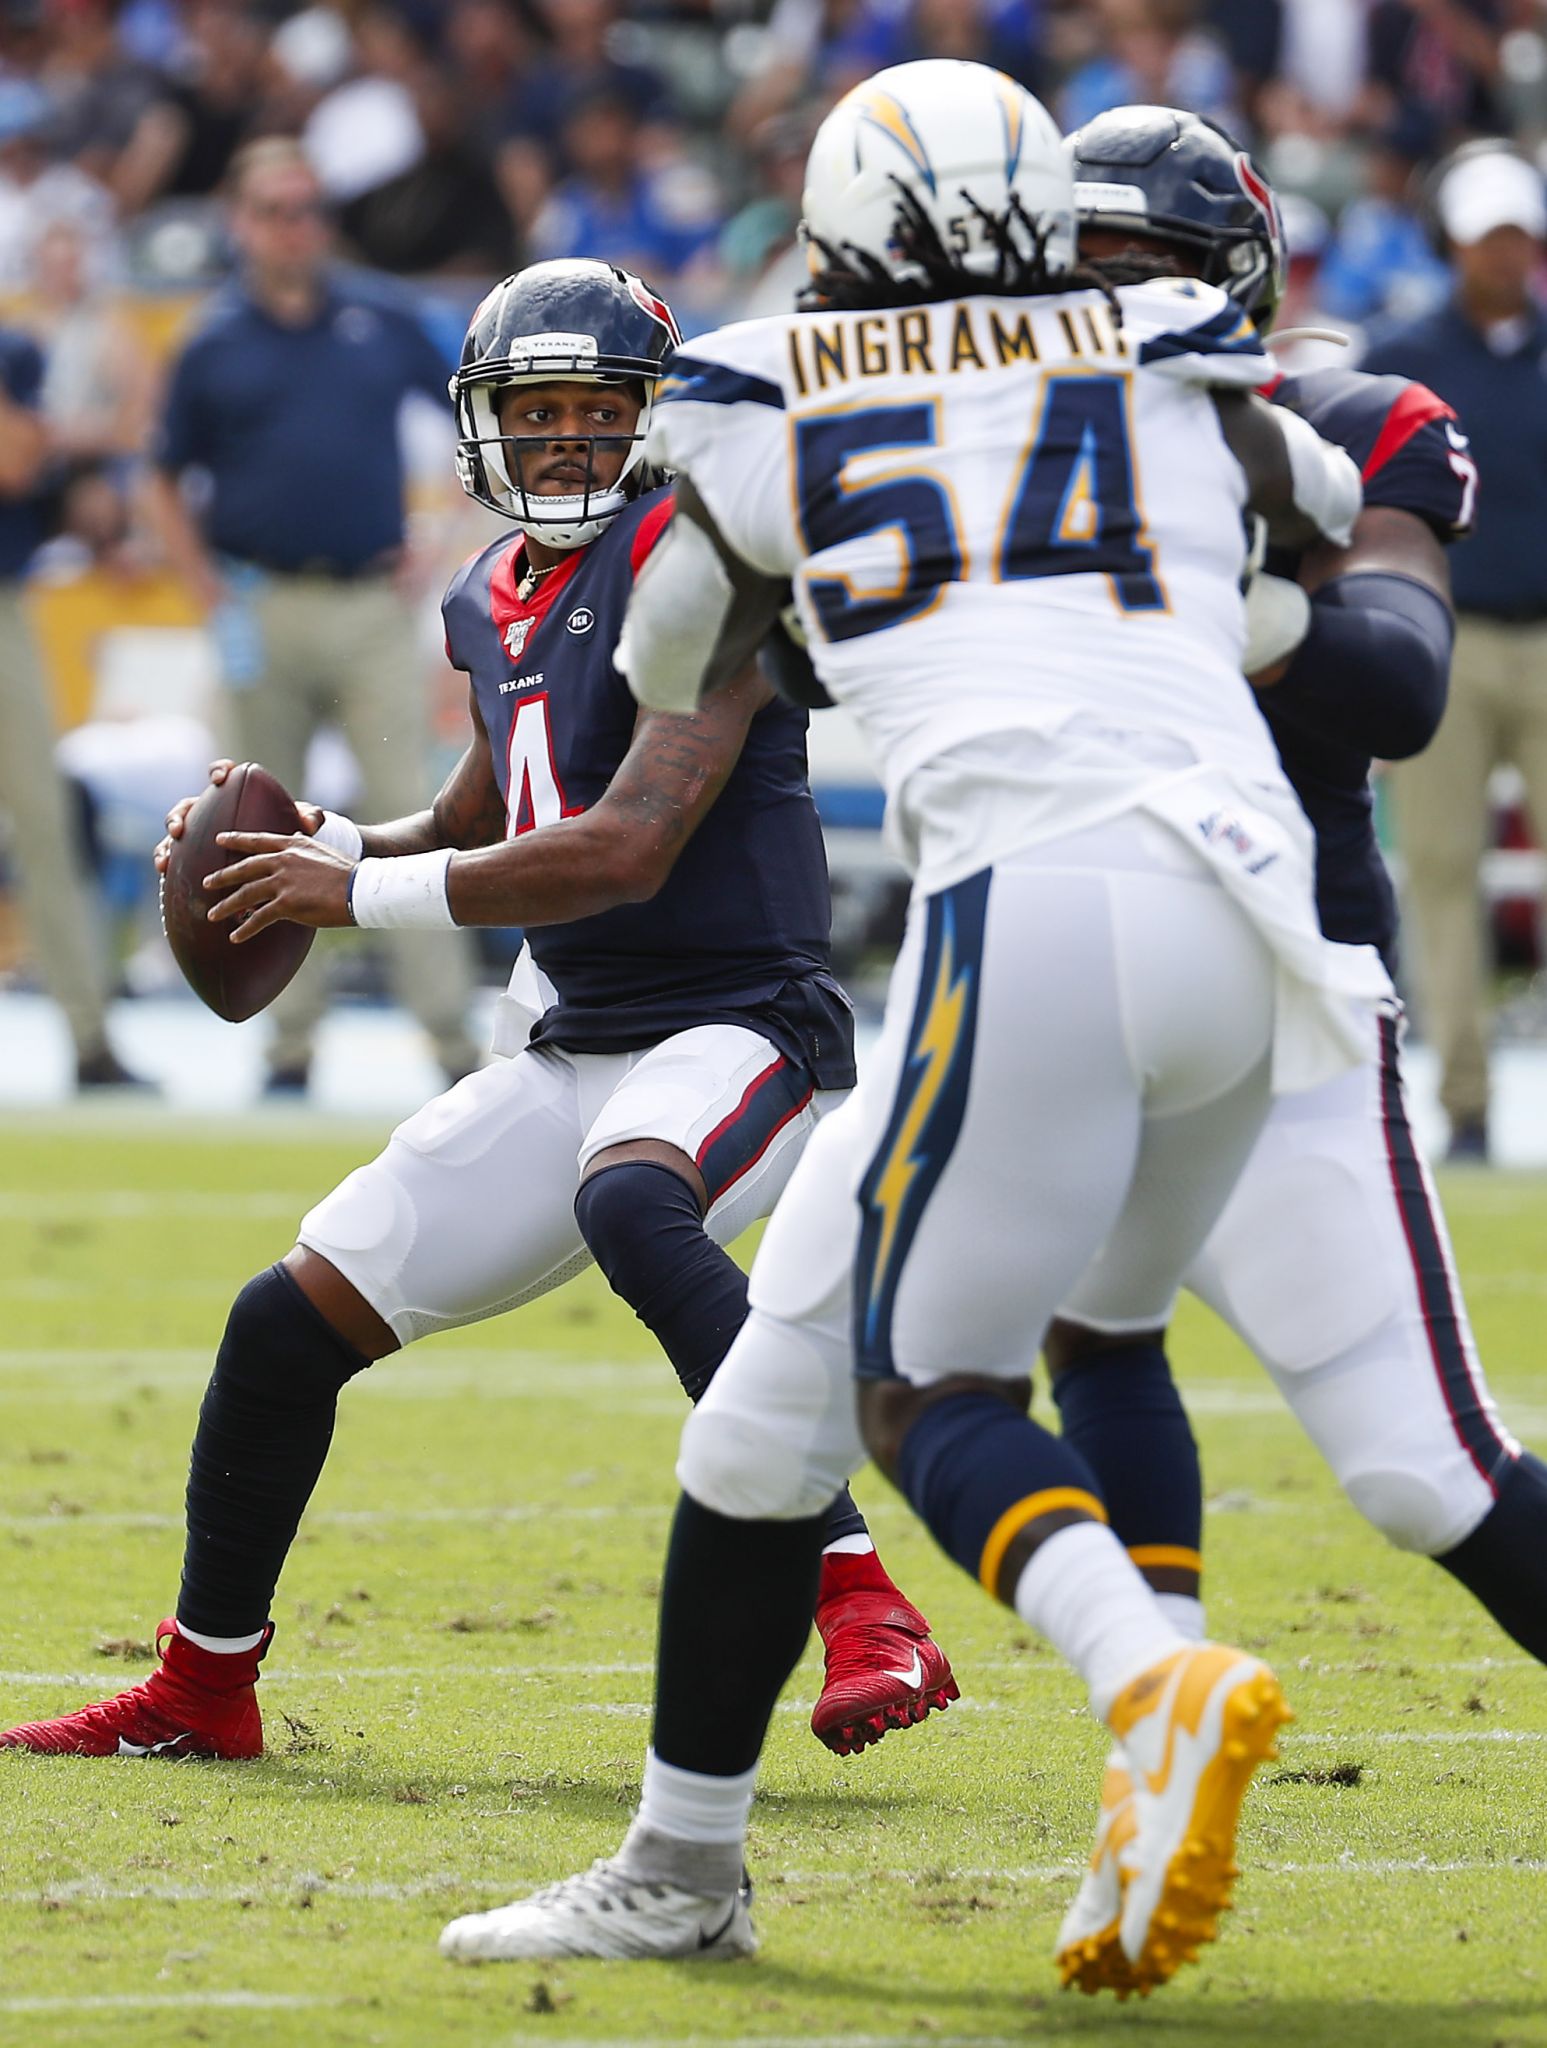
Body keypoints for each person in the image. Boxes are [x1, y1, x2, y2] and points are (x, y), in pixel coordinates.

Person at [431, 61, 1369, 1992]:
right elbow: (1327, 519)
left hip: (1025, 917)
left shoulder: (772, 386)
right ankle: (684, 1862)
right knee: (777, 1415)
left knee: (922, 1388)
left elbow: (672, 665)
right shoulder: (1173, 353)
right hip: (1257, 922)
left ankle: (1150, 1673)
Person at [0, 256, 954, 1766]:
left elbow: (623, 841)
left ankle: (863, 1598)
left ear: (649, 422)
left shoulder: (702, 566)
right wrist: (338, 844)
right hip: (578, 1044)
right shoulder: (481, 592)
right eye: (538, 411)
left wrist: (355, 903)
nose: (567, 440)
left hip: (744, 1030)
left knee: (639, 1205)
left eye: (596, 411)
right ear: (483, 426)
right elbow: (486, 804)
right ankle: (201, 1684)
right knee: (282, 1322)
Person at [1041, 104, 1547, 1998]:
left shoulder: (1346, 425)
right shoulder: (1008, 443)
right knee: (1085, 1329)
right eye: (1082, 270)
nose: (1116, 309)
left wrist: (1201, 579)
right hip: (1080, 978)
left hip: (1285, 996)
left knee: (1424, 1474)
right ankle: (1156, 1735)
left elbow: (1402, 680)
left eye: (1154, 272)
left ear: (1240, 289)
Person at [140, 135, 480, 1095]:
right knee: (254, 821)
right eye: (279, 210)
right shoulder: (213, 339)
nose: (300, 229)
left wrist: (440, 538)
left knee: (412, 811)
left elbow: (471, 409)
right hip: (263, 602)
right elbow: (163, 474)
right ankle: (288, 1041)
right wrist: (208, 589)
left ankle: (449, 1037)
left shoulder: (380, 316)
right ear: (243, 223)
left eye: (310, 208)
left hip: (371, 603)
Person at [1360, 144, 1547, 1163]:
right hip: (1449, 636)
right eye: (1489, 238)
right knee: (1439, 871)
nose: (1505, 255)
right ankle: (1465, 1104)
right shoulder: (1402, 354)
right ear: (1454, 245)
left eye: (1517, 235)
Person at [0, 310, 148, 1091]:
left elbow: (23, 467)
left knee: (46, 828)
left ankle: (89, 1036)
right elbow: (20, 452)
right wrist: (89, 432)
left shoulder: (14, 350)